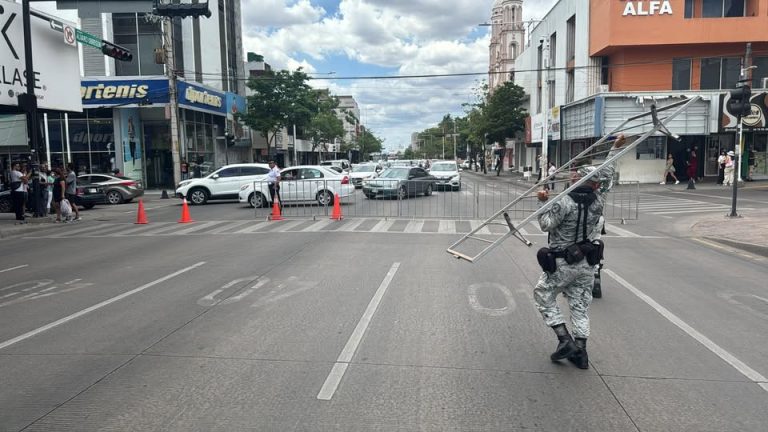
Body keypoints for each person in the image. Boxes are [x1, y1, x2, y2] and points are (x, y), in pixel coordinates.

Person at [533, 134, 626, 370]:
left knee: (543, 295)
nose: (572, 175)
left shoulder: (563, 202)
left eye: (576, 175)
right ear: (595, 184)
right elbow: (607, 174)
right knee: (580, 306)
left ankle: (565, 340)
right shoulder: (598, 200)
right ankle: (581, 352)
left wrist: (541, 202)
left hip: (563, 262)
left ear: (578, 180)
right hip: (585, 263)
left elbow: (545, 224)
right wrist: (614, 149)